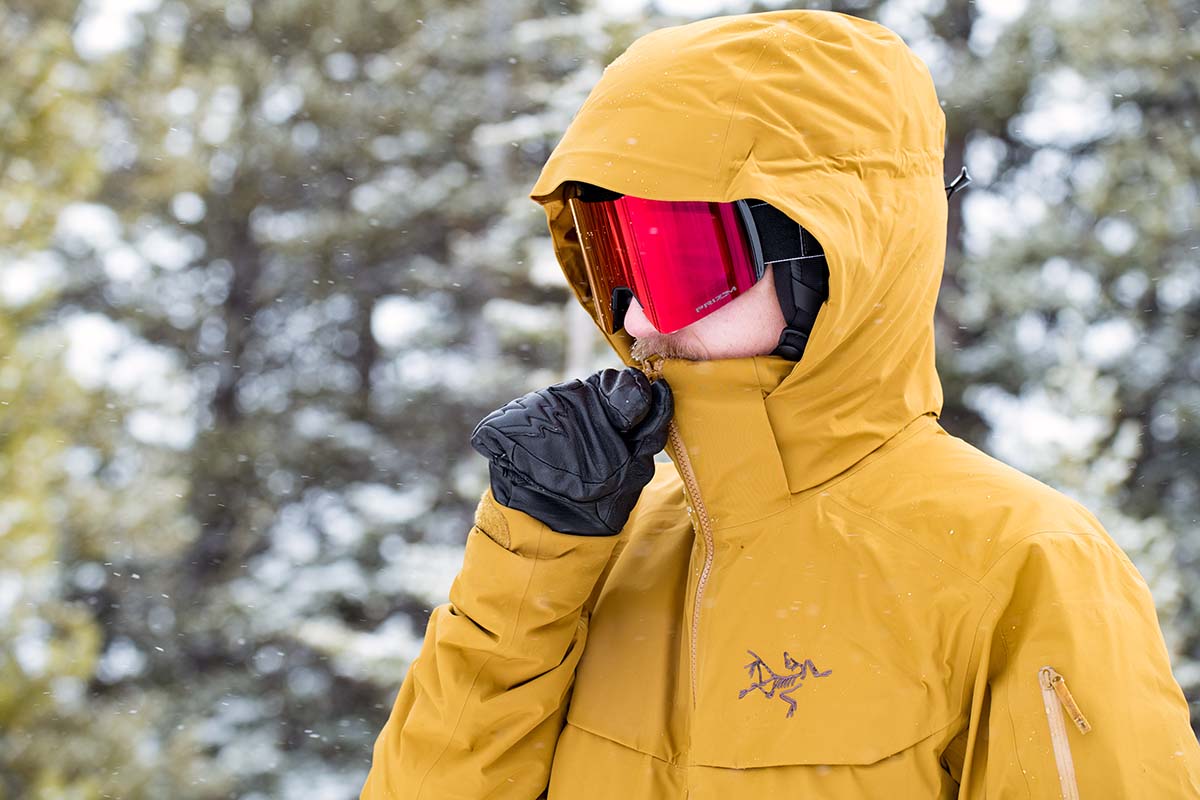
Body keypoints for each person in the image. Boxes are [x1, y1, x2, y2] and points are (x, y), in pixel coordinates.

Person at [361, 9, 1200, 799]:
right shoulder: (596, 543)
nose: (639, 318)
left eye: (680, 262)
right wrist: (530, 565)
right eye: (616, 261)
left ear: (832, 260)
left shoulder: (1018, 563)